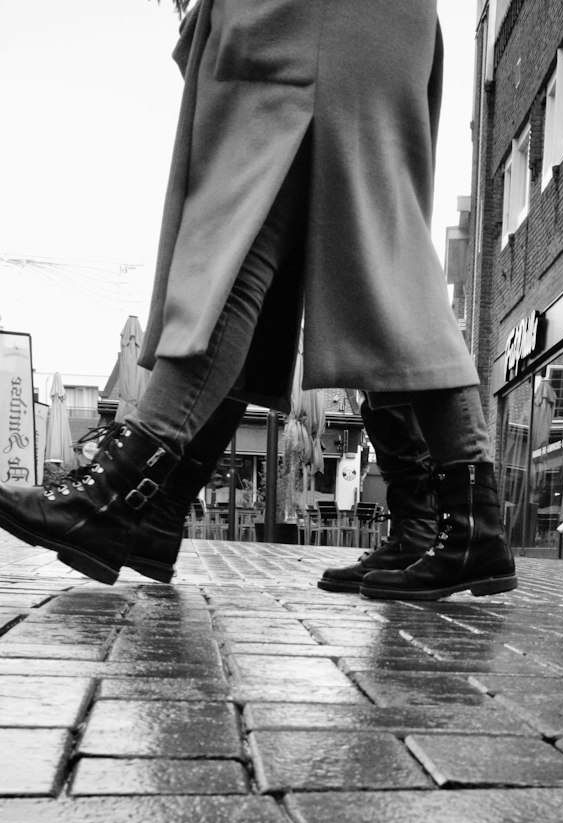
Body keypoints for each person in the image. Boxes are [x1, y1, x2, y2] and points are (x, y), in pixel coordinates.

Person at [0, 0, 516, 603]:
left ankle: (119, 497)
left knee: (243, 245)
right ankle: (150, 510)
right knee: (349, 260)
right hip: (343, 26)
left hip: (308, 23)